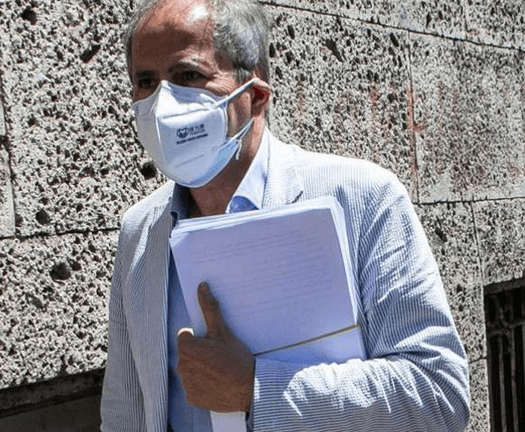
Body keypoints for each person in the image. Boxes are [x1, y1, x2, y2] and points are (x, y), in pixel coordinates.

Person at [100, 0, 471, 430]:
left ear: (255, 95)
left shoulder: (363, 198)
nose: (163, 104)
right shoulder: (140, 232)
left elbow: (438, 395)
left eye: (188, 75)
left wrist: (256, 391)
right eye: (145, 81)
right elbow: (124, 412)